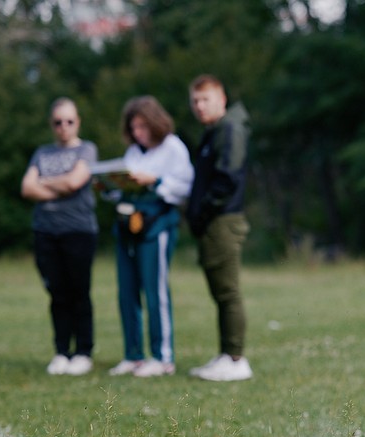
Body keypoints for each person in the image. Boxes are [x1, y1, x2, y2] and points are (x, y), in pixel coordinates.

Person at [104, 96, 194, 377]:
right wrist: (108, 185)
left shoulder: (173, 148)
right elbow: (123, 188)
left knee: (155, 291)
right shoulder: (133, 152)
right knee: (126, 290)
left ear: (155, 122)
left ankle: (162, 356)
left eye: (143, 126)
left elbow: (184, 187)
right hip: (128, 224)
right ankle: (134, 355)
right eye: (134, 128)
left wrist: (154, 181)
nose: (139, 133)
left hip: (156, 226)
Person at [21, 97, 99, 376]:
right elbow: (26, 188)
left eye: (69, 121)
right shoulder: (42, 152)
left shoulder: (87, 149)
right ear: (51, 125)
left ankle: (83, 352)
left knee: (79, 291)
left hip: (78, 231)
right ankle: (61, 352)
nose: (63, 127)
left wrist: (44, 182)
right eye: (58, 122)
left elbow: (74, 182)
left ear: (77, 122)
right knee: (57, 293)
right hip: (46, 231)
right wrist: (59, 185)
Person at [187, 74, 254, 381]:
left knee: (228, 292)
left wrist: (202, 211)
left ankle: (235, 359)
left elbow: (228, 178)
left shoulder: (229, 129)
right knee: (220, 291)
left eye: (206, 99)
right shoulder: (213, 132)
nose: (200, 106)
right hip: (214, 221)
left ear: (222, 99)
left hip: (223, 220)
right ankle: (226, 353)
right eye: (195, 101)